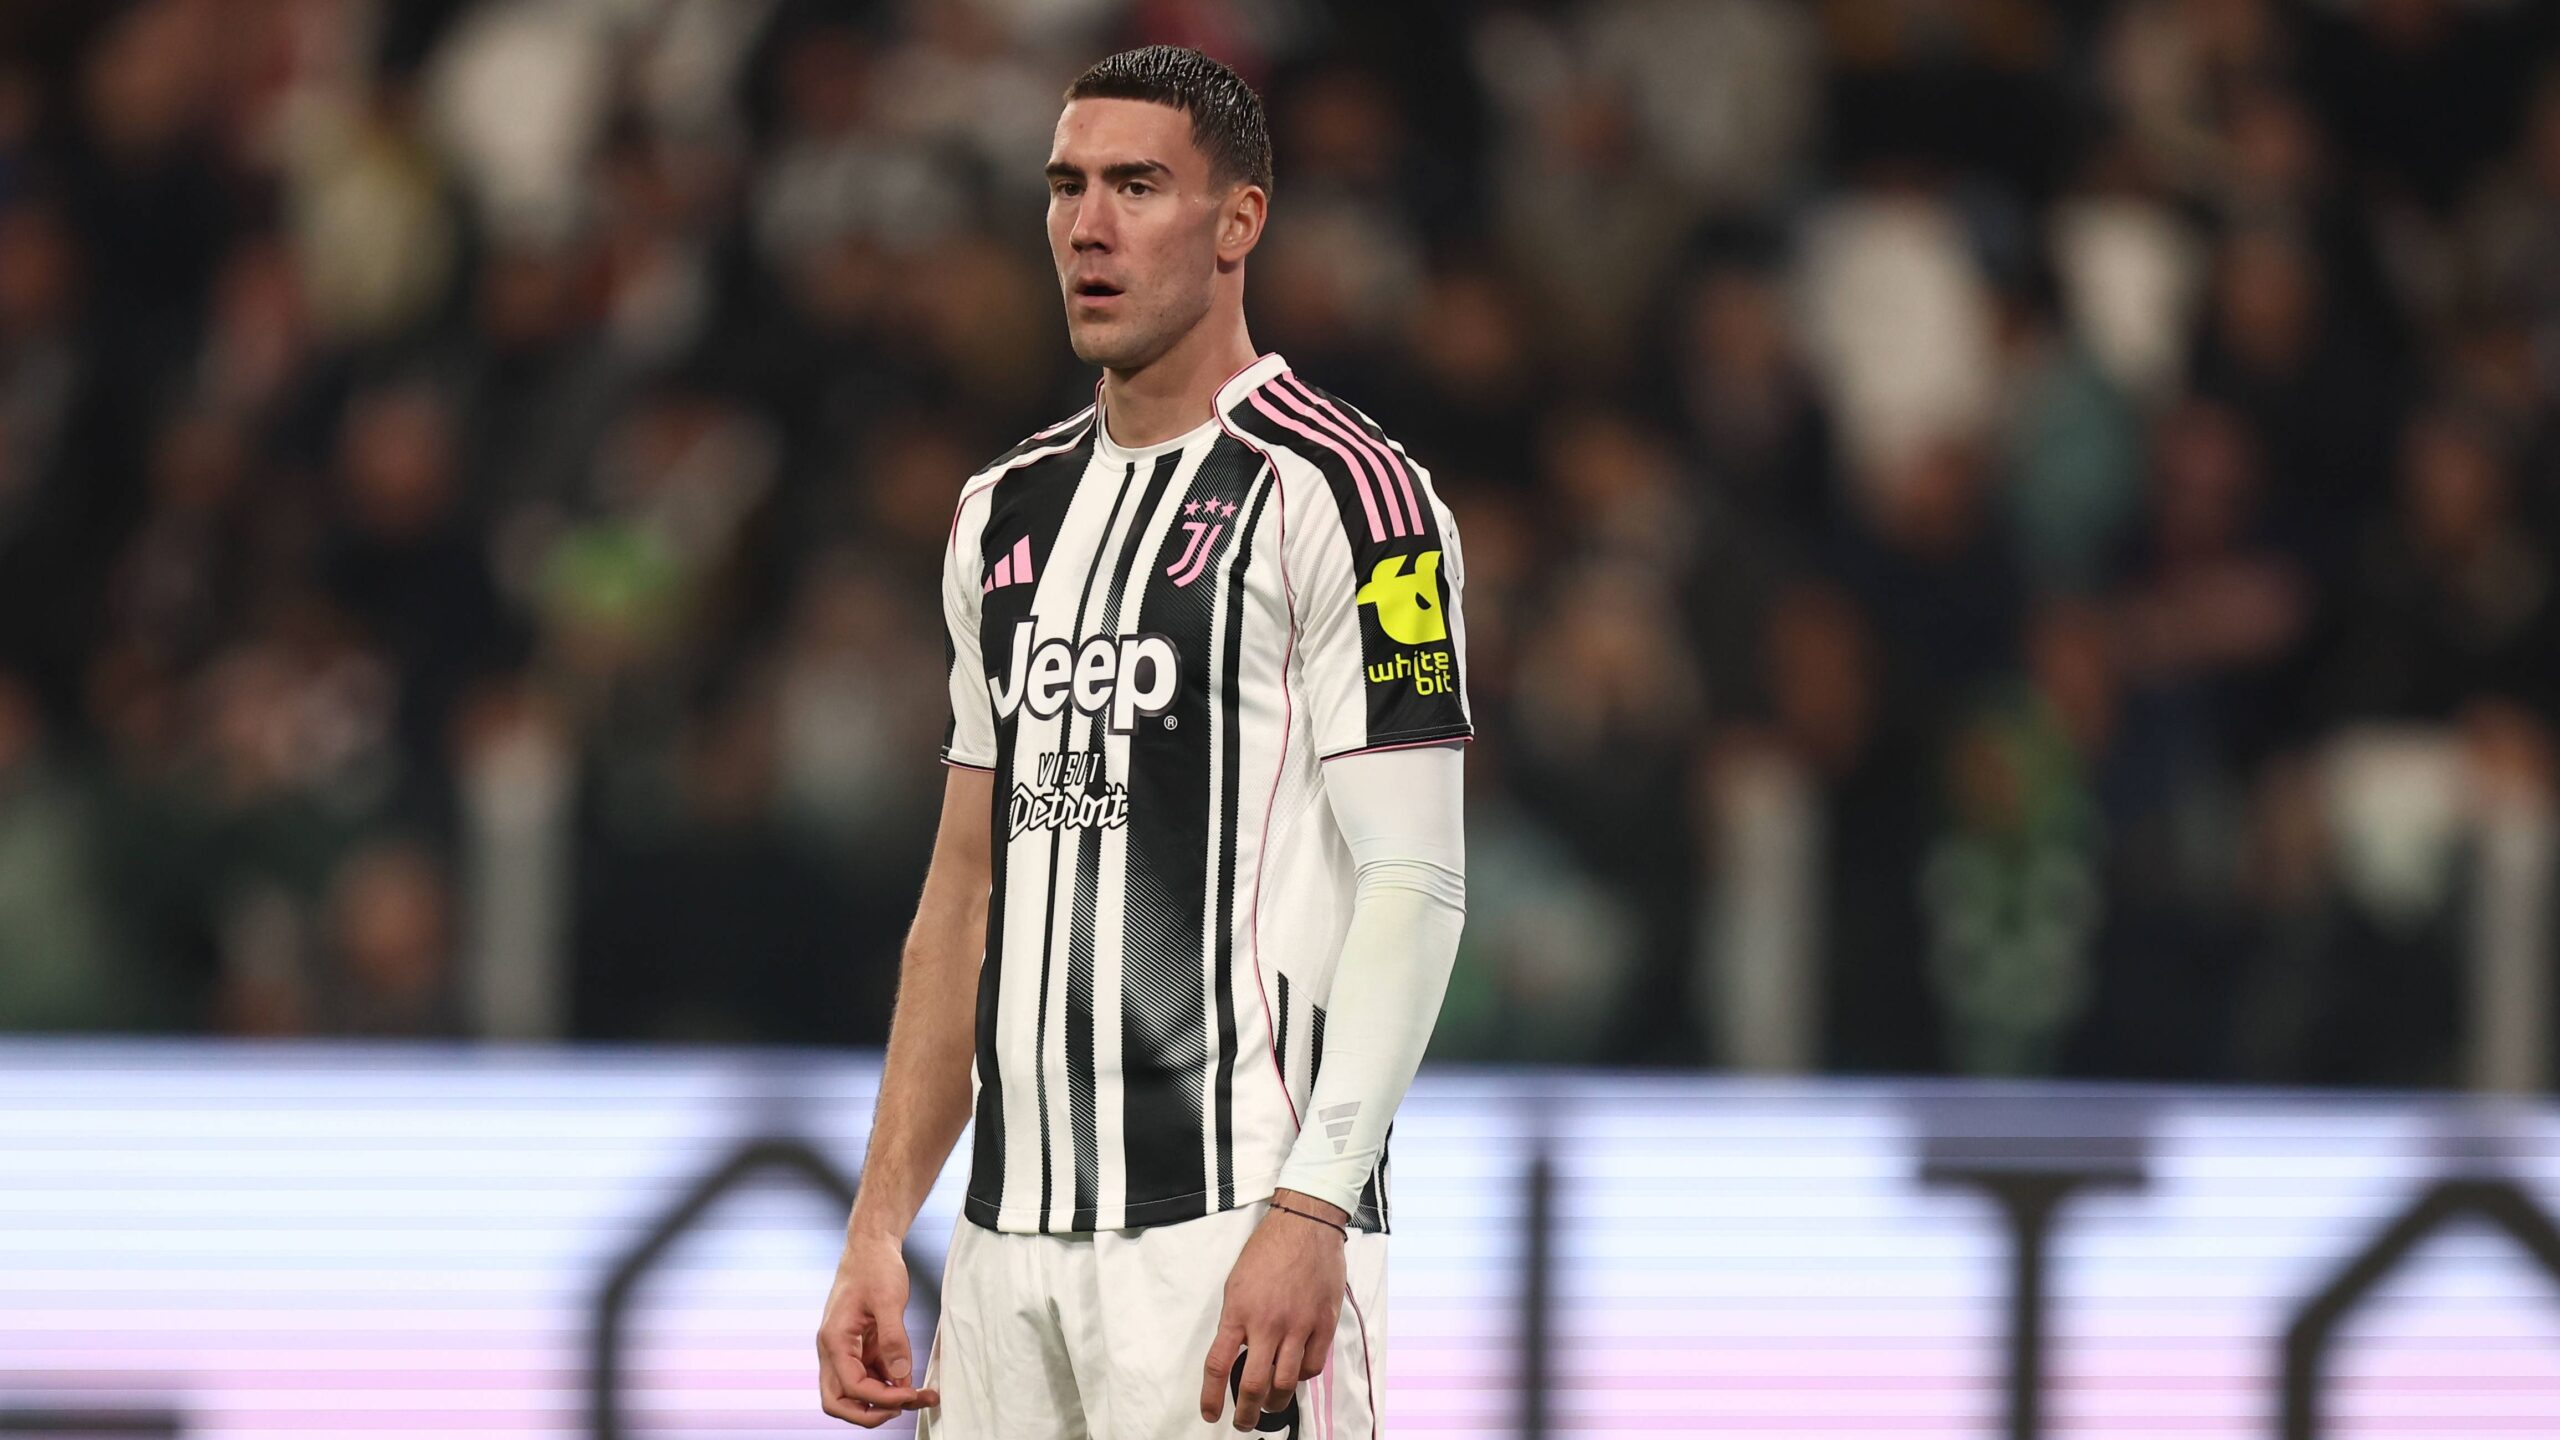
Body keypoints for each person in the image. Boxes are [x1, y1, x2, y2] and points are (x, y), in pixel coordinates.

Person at [814, 46, 1472, 1438]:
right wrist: (881, 1222)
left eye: (1137, 186)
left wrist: (1316, 1203)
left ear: (1239, 222)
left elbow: (1417, 880)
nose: (1089, 226)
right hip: (1005, 1248)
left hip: (1232, 1225)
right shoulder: (1001, 512)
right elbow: (966, 888)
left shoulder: (1354, 499)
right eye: (1067, 187)